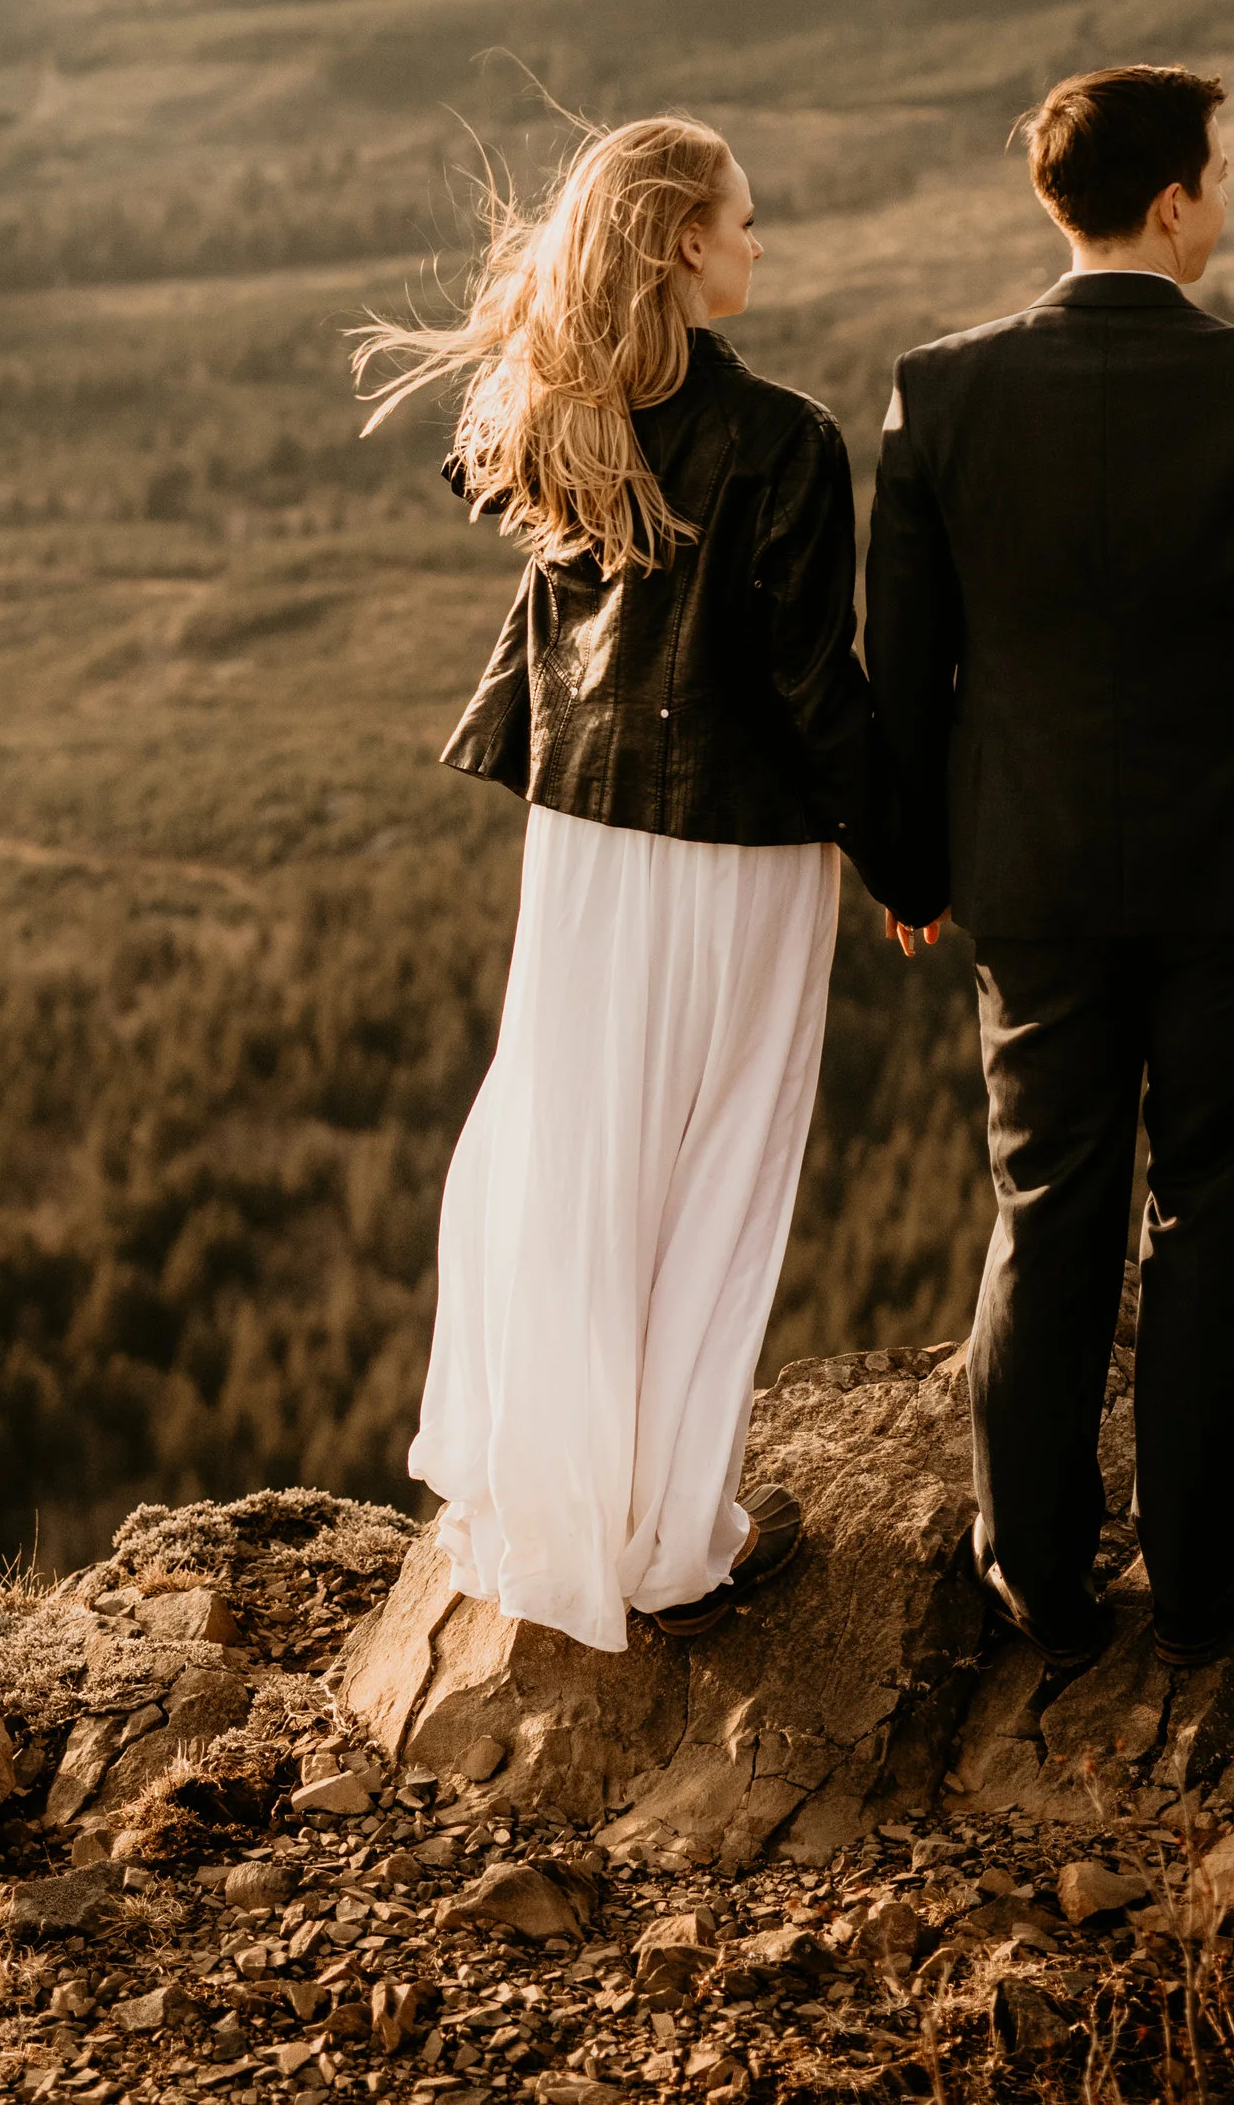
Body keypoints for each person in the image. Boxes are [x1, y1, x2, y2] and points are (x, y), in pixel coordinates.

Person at [866, 64, 1234, 1671]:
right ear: (1173, 199)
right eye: (1221, 175)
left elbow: (897, 663)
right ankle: (1196, 1569)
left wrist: (914, 862)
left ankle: (1035, 1569)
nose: (1226, 198)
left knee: (1047, 1202)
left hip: (1026, 862)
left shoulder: (940, 387)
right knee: (1212, 1204)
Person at [354, 114, 937, 1654]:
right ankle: (672, 1530)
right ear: (683, 240)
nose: (761, 240)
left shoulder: (559, 412)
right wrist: (911, 862)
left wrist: (569, 342)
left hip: (584, 837)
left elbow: (474, 462)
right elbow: (822, 696)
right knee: (711, 1178)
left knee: (573, 1153)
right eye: (743, 217)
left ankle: (554, 1500)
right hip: (736, 854)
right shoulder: (787, 441)